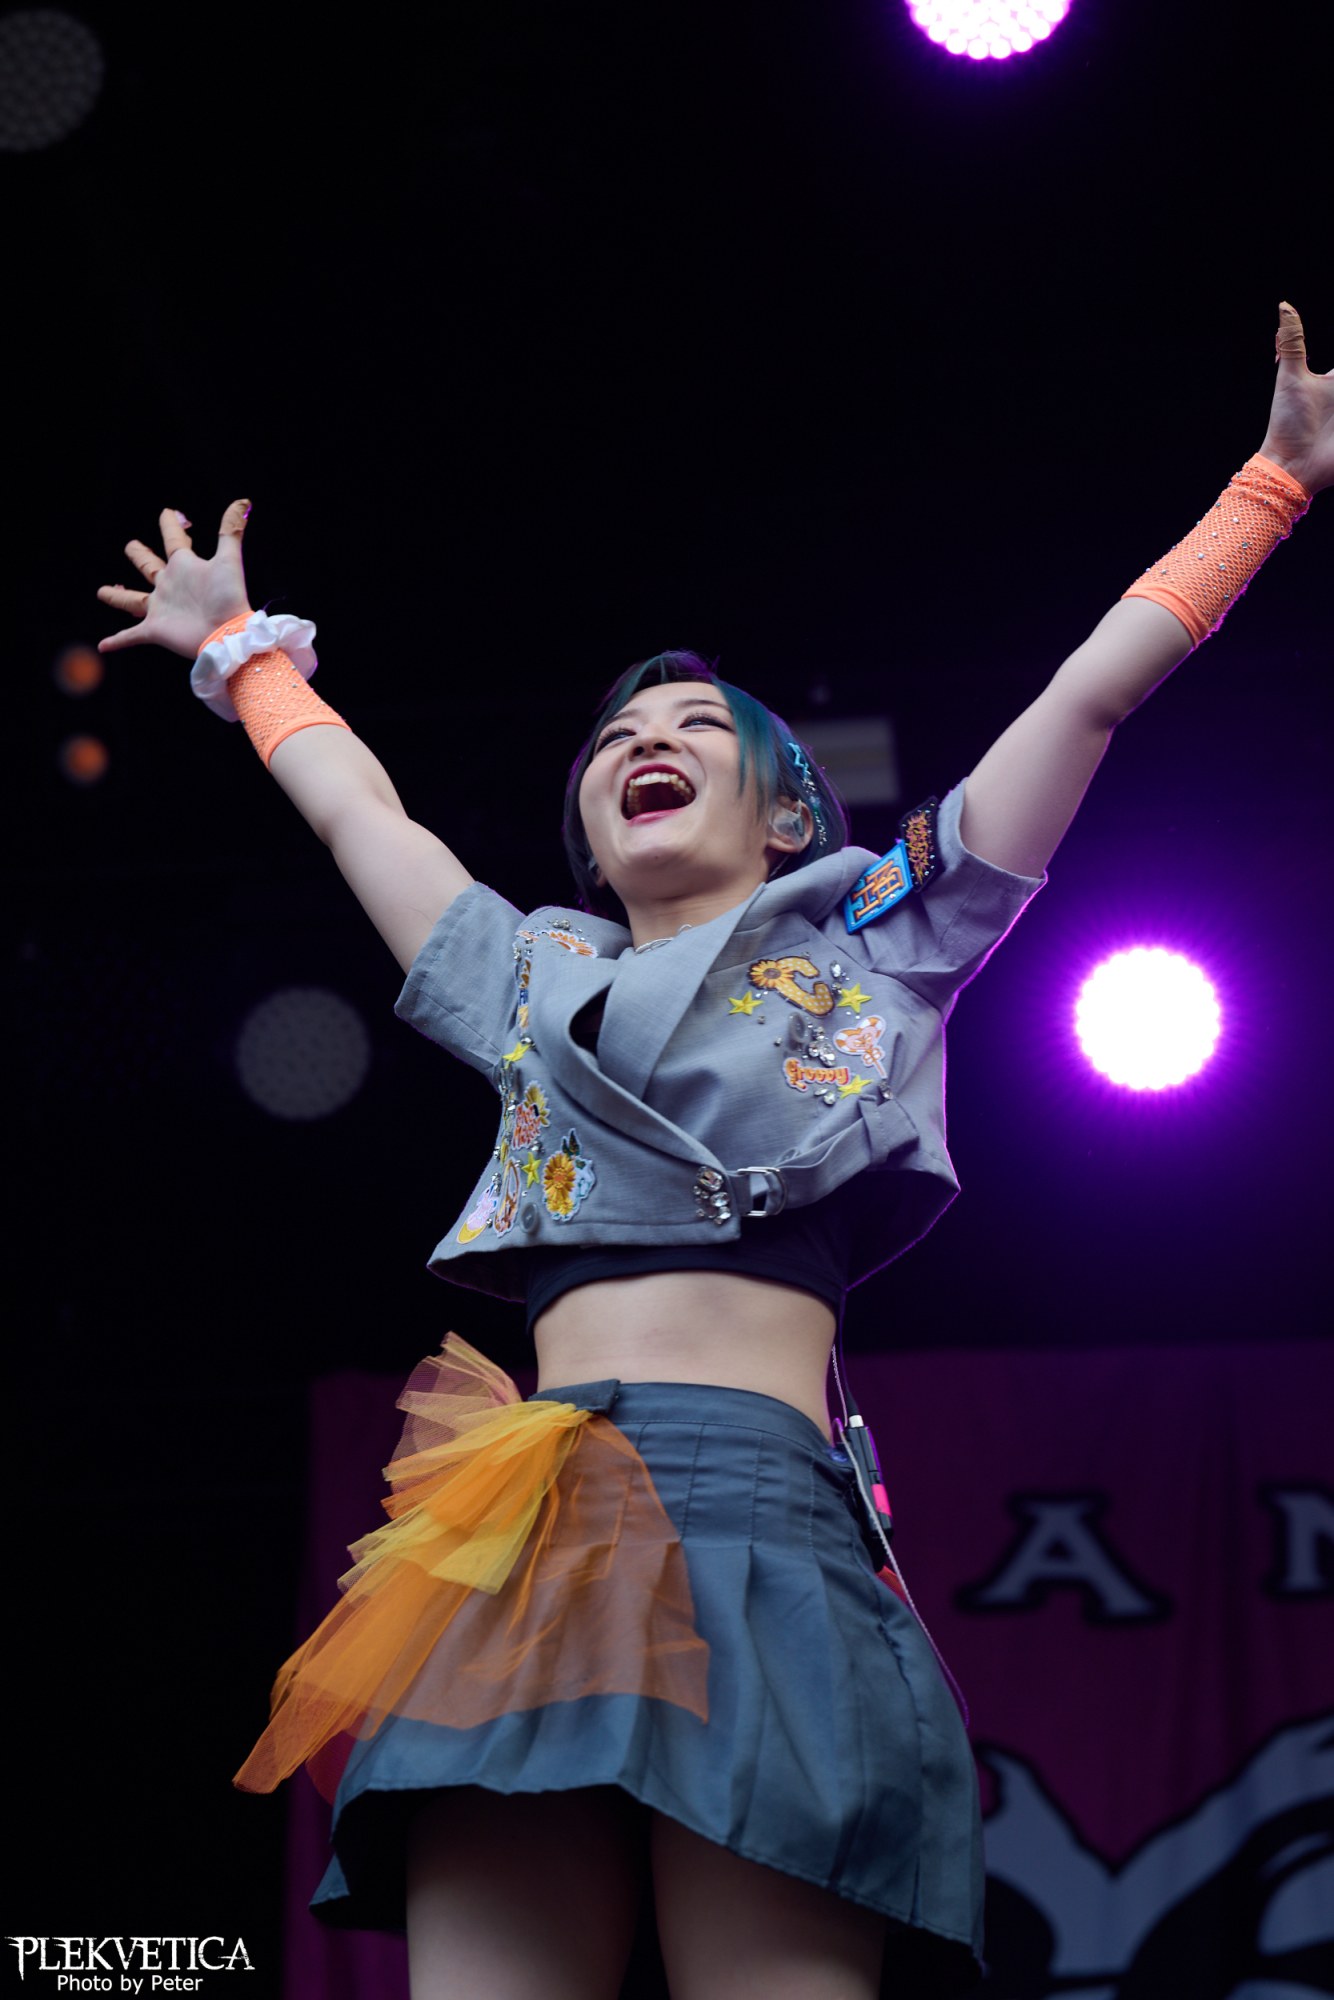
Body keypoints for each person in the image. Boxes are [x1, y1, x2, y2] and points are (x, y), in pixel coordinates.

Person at [96, 307, 1329, 2000]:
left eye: (688, 727)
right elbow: (356, 810)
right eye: (611, 745)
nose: (641, 747)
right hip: (530, 1521)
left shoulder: (884, 929)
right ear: (592, 835)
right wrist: (246, 656)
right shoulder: (524, 971)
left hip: (761, 1511)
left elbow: (1086, 698)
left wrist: (1269, 488)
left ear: (787, 811)